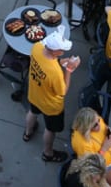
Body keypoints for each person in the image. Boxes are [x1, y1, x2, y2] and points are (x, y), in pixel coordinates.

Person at [25, 31, 80, 163]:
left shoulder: (37, 47)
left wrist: (60, 62)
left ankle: (27, 133)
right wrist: (69, 70)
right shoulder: (55, 73)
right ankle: (48, 153)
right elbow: (62, 91)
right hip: (50, 106)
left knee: (32, 112)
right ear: (55, 52)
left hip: (34, 94)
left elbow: (45, 62)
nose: (63, 52)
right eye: (61, 50)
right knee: (50, 129)